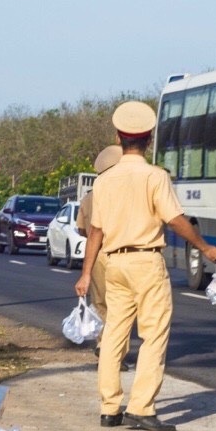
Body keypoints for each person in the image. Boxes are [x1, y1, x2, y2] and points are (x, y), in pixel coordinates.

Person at [74, 101, 216, 431]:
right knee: (154, 334)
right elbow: (175, 220)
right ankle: (141, 407)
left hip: (113, 263)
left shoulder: (104, 181)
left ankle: (109, 407)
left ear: (118, 137)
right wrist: (204, 246)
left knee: (114, 333)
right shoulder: (155, 176)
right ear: (149, 138)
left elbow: (95, 232)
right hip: (146, 261)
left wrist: (86, 273)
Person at [77, 145, 130, 370]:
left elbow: (81, 230)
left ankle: (103, 345)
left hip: (96, 255)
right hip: (120, 254)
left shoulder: (89, 197)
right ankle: (117, 353)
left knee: (100, 303)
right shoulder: (125, 194)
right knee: (123, 306)